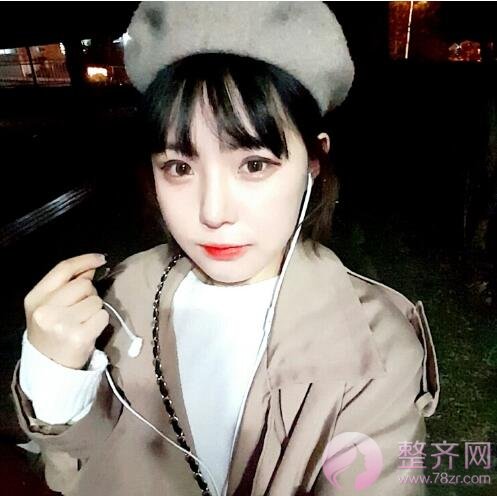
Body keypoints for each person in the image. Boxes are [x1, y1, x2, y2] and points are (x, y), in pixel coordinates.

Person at [11, 2, 440, 496]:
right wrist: (53, 374)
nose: (213, 212)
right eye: (180, 167)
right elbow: (74, 471)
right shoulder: (120, 298)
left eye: (254, 165)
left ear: (313, 161)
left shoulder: (377, 348)